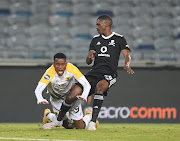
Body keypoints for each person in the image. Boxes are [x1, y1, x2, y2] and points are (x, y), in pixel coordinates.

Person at [43, 14, 134, 130]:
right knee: (72, 95)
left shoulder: (119, 39)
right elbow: (88, 62)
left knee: (99, 89)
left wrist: (127, 64)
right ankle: (58, 121)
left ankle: (92, 122)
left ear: (106, 24)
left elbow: (127, 55)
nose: (96, 27)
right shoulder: (95, 40)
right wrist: (89, 57)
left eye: (98, 24)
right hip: (93, 73)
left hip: (109, 74)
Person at [34, 53, 92, 129]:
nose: (60, 67)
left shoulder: (71, 69)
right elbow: (39, 88)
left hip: (70, 98)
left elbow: (86, 84)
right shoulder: (49, 72)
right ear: (53, 64)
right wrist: (40, 98)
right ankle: (48, 115)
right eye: (57, 64)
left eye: (62, 64)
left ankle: (88, 116)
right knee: (65, 125)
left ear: (66, 64)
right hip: (57, 99)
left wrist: (84, 95)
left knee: (80, 127)